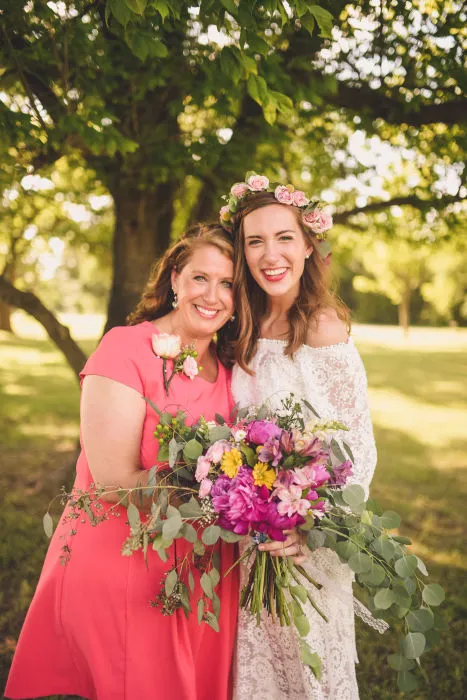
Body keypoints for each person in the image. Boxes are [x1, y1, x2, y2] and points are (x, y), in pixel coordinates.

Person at [5, 224, 241, 700]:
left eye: (229, 284)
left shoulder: (234, 367)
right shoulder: (126, 348)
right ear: (175, 279)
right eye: (200, 277)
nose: (213, 295)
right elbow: (113, 482)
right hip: (128, 561)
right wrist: (218, 489)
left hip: (207, 573)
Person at [223, 176, 377, 699]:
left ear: (309, 244)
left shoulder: (322, 327)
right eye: (255, 241)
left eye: (284, 238)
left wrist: (309, 527)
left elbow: (356, 449)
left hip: (305, 544)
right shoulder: (238, 326)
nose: (271, 254)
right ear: (242, 252)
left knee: (307, 673)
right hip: (246, 539)